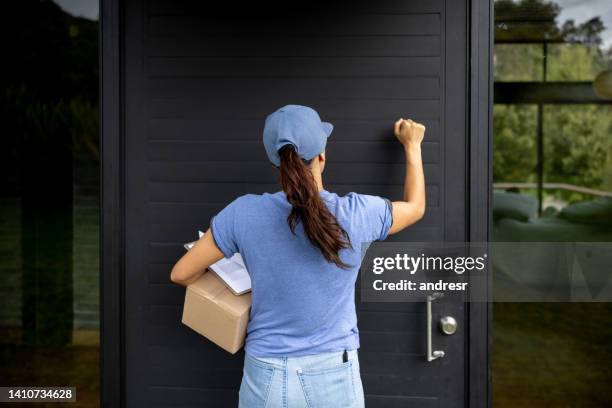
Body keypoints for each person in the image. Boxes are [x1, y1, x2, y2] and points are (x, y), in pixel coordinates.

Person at [170, 105, 426, 408]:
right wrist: (412, 145)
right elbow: (415, 207)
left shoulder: (242, 213)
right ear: (322, 156)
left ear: (276, 163)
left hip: (265, 372)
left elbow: (181, 273)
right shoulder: (356, 214)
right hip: (333, 372)